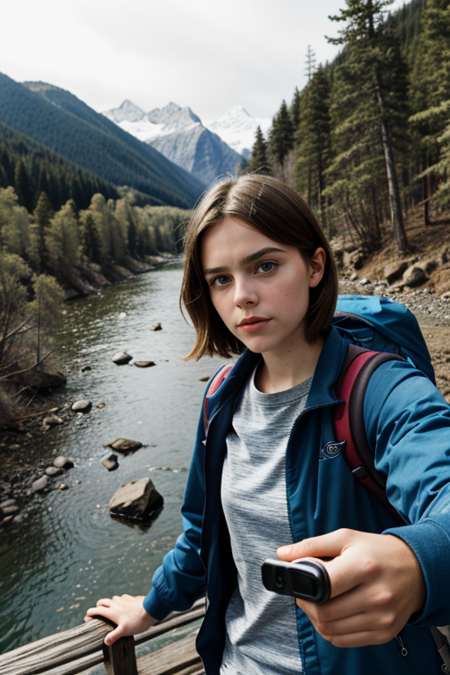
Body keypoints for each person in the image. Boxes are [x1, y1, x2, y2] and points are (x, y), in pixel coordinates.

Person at [84, 174, 450, 674]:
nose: (243, 296)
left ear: (315, 265)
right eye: (220, 279)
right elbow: (201, 534)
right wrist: (150, 607)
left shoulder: (382, 391)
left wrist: (419, 564)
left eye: (266, 265)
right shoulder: (221, 398)